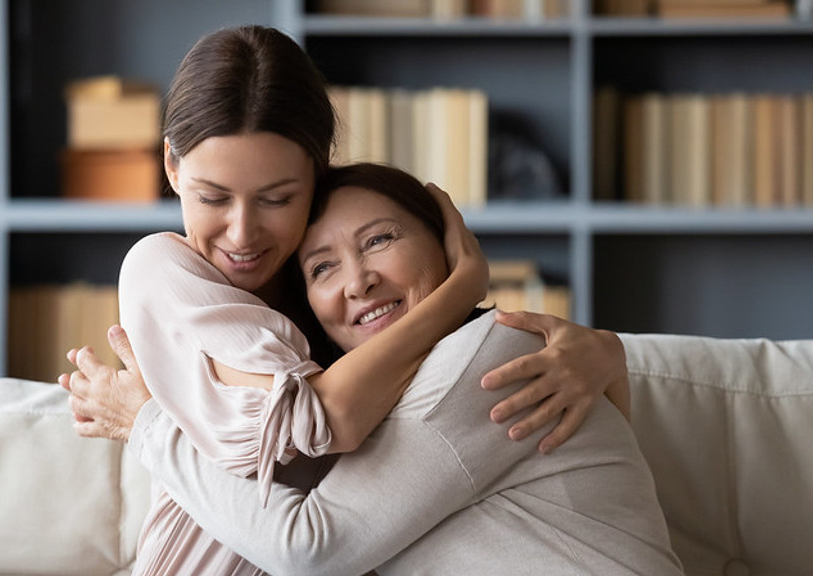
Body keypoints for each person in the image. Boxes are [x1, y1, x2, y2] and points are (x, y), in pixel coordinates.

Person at [59, 25, 631, 575]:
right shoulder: (162, 267)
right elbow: (317, 421)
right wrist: (462, 288)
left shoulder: (327, 302)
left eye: (277, 198)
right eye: (213, 197)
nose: (242, 233)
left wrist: (607, 353)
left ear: (316, 170)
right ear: (172, 168)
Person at [116, 163, 684, 575]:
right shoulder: (379, 405)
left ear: (443, 244)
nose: (357, 281)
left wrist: (148, 423)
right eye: (321, 268)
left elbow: (311, 548)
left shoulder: (488, 358)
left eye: (380, 240)